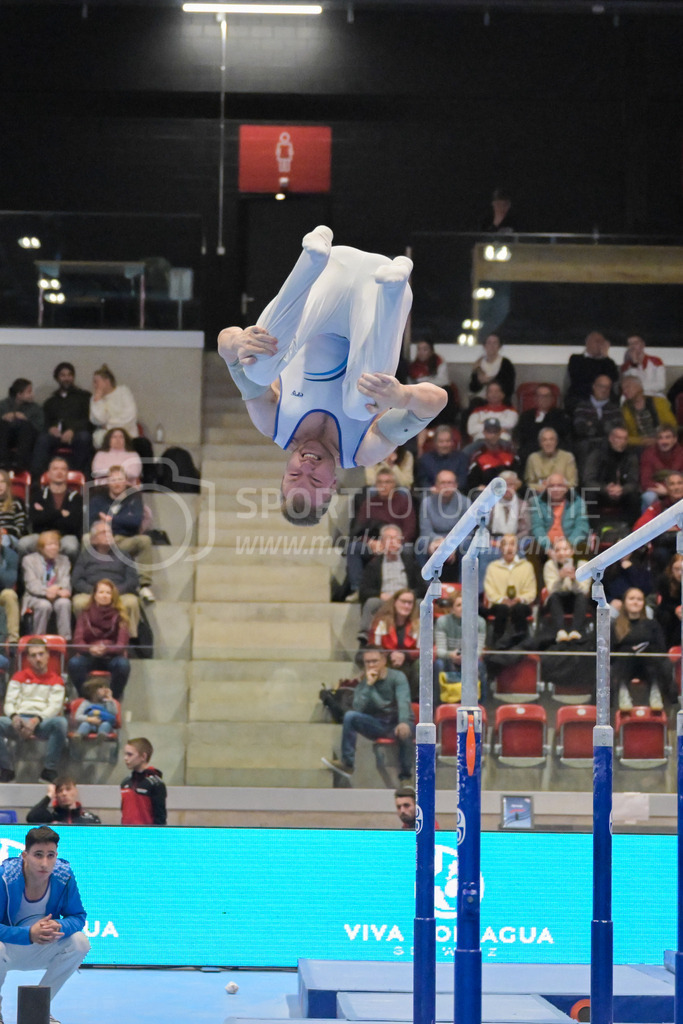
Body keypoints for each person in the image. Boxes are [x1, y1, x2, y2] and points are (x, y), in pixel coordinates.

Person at [218, 226, 447, 525]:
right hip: (374, 293)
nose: (306, 467)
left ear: (284, 473)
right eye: (315, 481)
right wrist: (402, 396)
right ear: (333, 486)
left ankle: (309, 258)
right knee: (361, 406)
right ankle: (394, 288)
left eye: (294, 475)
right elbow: (437, 401)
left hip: (329, 276)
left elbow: (224, 344)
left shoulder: (270, 421)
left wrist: (237, 342)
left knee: (256, 368)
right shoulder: (365, 450)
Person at [0, 825, 89, 1021]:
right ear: (25, 855)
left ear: (56, 856)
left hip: (43, 949)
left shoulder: (64, 876)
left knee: (80, 942)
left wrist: (60, 926)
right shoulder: (5, 877)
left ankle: (39, 1007)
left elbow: (78, 916)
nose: (45, 863)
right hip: (9, 949)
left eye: (51, 855)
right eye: (38, 855)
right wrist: (28, 934)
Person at [321, 647, 415, 782]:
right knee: (350, 716)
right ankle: (347, 764)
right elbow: (357, 707)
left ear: (384, 660)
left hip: (397, 721)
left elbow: (403, 702)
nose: (371, 665)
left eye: (374, 661)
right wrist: (369, 685)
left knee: (405, 729)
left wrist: (403, 721)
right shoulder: (365, 681)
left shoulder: (397, 677)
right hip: (378, 723)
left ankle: (406, 777)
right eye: (367, 662)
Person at [0, 638, 67, 783]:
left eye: (41, 654)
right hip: (19, 719)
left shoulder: (57, 680)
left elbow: (54, 707)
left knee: (61, 723)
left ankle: (49, 770)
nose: (38, 659)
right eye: (33, 655)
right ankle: (6, 769)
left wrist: (35, 720)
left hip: (42, 722)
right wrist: (14, 717)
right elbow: (9, 702)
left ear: (48, 655)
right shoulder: (18, 677)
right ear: (28, 659)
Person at [86, 465, 155, 602]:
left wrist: (109, 520)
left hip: (124, 540)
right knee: (85, 538)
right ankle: (89, 583)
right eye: (113, 480)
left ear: (125, 481)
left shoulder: (134, 497)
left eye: (120, 479)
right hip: (102, 539)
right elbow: (90, 521)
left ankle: (144, 585)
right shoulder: (97, 499)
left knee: (145, 540)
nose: (117, 483)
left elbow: (135, 522)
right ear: (108, 482)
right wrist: (120, 521)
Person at [345, 468, 416, 599]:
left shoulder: (404, 502)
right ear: (376, 485)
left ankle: (406, 590)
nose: (384, 485)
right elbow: (358, 530)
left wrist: (393, 543)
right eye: (380, 482)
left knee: (408, 550)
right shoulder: (368, 503)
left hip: (397, 543)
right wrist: (370, 542)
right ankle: (358, 590)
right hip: (375, 544)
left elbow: (410, 529)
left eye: (387, 482)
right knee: (353, 548)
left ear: (394, 485)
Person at [71, 521, 141, 638]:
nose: (108, 535)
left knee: (131, 602)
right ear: (94, 539)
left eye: (110, 532)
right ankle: (84, 636)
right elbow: (77, 580)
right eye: (103, 532)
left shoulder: (124, 555)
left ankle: (129, 639)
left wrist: (113, 592)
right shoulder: (85, 555)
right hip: (92, 593)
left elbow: (132, 580)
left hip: (119, 593)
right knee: (78, 602)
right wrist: (96, 592)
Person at [357, 524, 425, 640]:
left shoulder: (411, 563)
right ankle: (365, 635)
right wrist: (380, 595)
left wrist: (409, 595)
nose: (392, 542)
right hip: (384, 601)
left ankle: (425, 637)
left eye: (396, 538)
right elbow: (363, 591)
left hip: (406, 600)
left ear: (400, 542)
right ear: (382, 543)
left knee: (420, 603)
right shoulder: (374, 565)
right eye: (388, 538)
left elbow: (423, 588)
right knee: (371, 602)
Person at [68, 578, 131, 699]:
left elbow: (121, 644)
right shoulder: (85, 614)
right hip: (89, 655)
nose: (104, 596)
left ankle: (113, 698)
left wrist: (106, 649)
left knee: (123, 665)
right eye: (101, 592)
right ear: (95, 595)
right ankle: (86, 697)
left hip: (112, 656)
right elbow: (78, 640)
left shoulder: (121, 615)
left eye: (108, 593)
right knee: (74, 663)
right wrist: (90, 649)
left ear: (113, 596)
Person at [611, 587, 669, 711]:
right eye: (632, 599)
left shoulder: (652, 624)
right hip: (624, 664)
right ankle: (623, 692)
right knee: (624, 652)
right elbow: (611, 651)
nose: (635, 602)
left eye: (639, 599)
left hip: (648, 664)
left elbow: (661, 648)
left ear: (643, 603)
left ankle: (655, 692)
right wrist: (629, 649)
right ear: (624, 602)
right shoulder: (615, 625)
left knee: (651, 656)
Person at [32, 361, 92, 476]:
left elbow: (89, 420)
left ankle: (78, 476)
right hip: (56, 436)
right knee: (43, 439)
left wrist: (73, 430)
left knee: (84, 437)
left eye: (69, 375)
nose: (66, 378)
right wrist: (50, 429)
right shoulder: (51, 401)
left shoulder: (84, 397)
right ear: (57, 378)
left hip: (77, 434)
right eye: (63, 375)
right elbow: (45, 421)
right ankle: (38, 478)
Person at [19, 457, 83, 561]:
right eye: (55, 469)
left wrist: (46, 513)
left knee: (71, 547)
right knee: (23, 544)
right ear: (48, 473)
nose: (59, 472)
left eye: (63, 469)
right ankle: (29, 570)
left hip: (65, 536)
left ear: (67, 473)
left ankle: (67, 571)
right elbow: (35, 520)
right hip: (41, 535)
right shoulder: (38, 496)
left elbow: (73, 524)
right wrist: (60, 513)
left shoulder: (76, 497)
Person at [583, 425, 641, 529]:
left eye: (625, 439)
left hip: (622, 493)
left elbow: (634, 481)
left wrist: (622, 489)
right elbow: (588, 480)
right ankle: (594, 530)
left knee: (634, 496)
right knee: (590, 494)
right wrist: (605, 489)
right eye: (618, 438)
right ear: (611, 438)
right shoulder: (597, 454)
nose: (622, 442)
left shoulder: (631, 456)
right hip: (602, 492)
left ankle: (632, 529)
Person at [433, 590, 486, 706]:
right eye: (459, 605)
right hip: (448, 660)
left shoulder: (480, 622)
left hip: (470, 660)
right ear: (452, 609)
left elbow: (478, 651)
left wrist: (466, 657)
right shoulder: (443, 622)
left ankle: (481, 706)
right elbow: (440, 651)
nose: (463, 608)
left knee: (480, 665)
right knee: (438, 664)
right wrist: (451, 655)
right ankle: (437, 707)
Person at [483, 534, 537, 643]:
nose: (509, 548)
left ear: (517, 547)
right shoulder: (493, 567)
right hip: (499, 604)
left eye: (512, 544)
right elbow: (489, 591)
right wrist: (501, 600)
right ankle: (497, 643)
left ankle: (521, 643)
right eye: (505, 544)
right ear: (501, 548)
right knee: (502, 609)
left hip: (520, 604)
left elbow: (531, 591)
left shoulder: (527, 566)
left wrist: (520, 599)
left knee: (519, 608)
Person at [367, 589, 420, 697]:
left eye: (410, 603)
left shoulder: (419, 624)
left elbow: (424, 650)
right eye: (403, 602)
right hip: (387, 661)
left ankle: (415, 700)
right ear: (395, 602)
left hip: (410, 663)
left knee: (421, 664)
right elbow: (374, 647)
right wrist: (391, 654)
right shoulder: (381, 622)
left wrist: (404, 655)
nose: (406, 606)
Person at [21, 531, 72, 640]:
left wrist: (57, 589)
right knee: (44, 605)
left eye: (56, 544)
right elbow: (32, 584)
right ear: (41, 548)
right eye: (49, 545)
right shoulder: (29, 560)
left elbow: (65, 581)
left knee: (64, 603)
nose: (54, 548)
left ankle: (65, 640)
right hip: (35, 596)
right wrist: (47, 591)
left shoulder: (64, 560)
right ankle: (38, 640)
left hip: (57, 596)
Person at [417, 469, 471, 570]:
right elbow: (425, 530)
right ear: (436, 485)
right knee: (421, 543)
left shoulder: (465, 502)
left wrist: (450, 544)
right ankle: (424, 579)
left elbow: (466, 531)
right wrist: (439, 541)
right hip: (435, 539)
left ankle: (463, 579)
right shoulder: (427, 502)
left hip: (457, 540)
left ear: (456, 485)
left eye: (449, 483)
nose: (446, 486)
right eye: (442, 483)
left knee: (466, 544)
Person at [541, 537, 591, 641]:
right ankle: (560, 631)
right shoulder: (550, 565)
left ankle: (575, 631)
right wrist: (560, 578)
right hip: (558, 602)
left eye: (565, 549)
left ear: (572, 551)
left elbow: (584, 590)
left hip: (576, 601)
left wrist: (574, 580)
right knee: (554, 597)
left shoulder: (583, 565)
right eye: (557, 550)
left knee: (581, 597)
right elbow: (551, 590)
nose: (561, 553)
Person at [633, 471, 683, 574]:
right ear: (666, 488)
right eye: (672, 484)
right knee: (660, 553)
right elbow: (639, 527)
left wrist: (672, 529)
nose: (676, 487)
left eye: (679, 483)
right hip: (664, 549)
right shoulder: (658, 507)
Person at [529, 473, 591, 555]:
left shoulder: (578, 502)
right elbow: (537, 527)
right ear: (546, 488)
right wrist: (548, 548)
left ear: (566, 488)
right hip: (546, 546)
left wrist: (568, 545)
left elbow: (582, 526)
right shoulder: (537, 502)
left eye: (560, 485)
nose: (555, 489)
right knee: (532, 548)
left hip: (570, 544)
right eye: (551, 486)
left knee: (584, 548)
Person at [514, 383, 571, 471]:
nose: (544, 399)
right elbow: (520, 436)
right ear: (535, 399)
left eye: (547, 396)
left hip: (554, 451)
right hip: (530, 452)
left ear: (552, 399)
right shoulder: (526, 416)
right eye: (540, 396)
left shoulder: (560, 415)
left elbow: (564, 436)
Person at [572, 374, 624, 461]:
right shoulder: (582, 406)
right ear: (594, 387)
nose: (604, 390)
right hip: (587, 445)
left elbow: (616, 430)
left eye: (607, 387)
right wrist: (605, 426)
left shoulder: (615, 409)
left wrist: (592, 424)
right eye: (601, 386)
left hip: (609, 446)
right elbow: (580, 429)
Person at [564, 331, 618, 413]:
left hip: (604, 397)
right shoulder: (576, 359)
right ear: (588, 343)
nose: (600, 345)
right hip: (581, 396)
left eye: (602, 342)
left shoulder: (608, 362)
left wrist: (605, 357)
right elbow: (580, 377)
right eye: (597, 341)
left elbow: (613, 378)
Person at [621, 374, 677, 449]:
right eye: (623, 389)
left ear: (639, 387)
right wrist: (641, 441)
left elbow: (672, 426)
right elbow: (623, 436)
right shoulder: (625, 409)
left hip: (663, 441)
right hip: (640, 446)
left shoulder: (659, 402)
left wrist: (659, 439)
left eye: (627, 387)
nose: (625, 391)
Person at [89, 364, 138, 449]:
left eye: (96, 382)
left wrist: (109, 426)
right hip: (105, 436)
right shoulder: (95, 398)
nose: (94, 385)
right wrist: (98, 400)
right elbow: (99, 420)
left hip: (127, 433)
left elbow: (130, 415)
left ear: (106, 381)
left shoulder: (123, 391)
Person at [120, 737, 167, 825]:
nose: (125, 758)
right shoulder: (126, 782)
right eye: (125, 754)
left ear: (143, 756)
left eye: (130, 754)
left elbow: (160, 818)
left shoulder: (155, 784)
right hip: (126, 832)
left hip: (146, 832)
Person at [0, 378, 43, 473]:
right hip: (7, 437)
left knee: (25, 426)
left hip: (26, 438)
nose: (32, 394)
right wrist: (4, 417)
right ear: (19, 394)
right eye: (29, 392)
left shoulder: (35, 408)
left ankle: (20, 463)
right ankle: (2, 462)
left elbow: (40, 426)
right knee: (2, 425)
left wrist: (25, 420)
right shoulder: (3, 405)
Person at [466, 418, 519, 492]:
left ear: (500, 432)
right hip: (487, 493)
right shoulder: (477, 456)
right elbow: (472, 483)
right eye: (489, 432)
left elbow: (518, 477)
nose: (493, 435)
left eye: (495, 432)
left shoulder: (510, 453)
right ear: (484, 433)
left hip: (509, 491)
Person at [640, 425, 683, 511]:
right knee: (648, 497)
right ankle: (652, 519)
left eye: (667, 437)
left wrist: (668, 489)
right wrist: (665, 489)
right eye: (660, 438)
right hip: (657, 490)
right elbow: (645, 481)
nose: (664, 441)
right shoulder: (648, 454)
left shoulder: (681, 453)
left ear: (675, 439)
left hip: (678, 489)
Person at [26, 776, 101, 825]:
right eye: (60, 791)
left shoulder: (90, 819)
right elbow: (31, 817)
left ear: (76, 791)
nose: (64, 793)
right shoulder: (50, 816)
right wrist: (49, 795)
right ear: (55, 794)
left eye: (68, 789)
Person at [524, 427, 578, 493]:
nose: (548, 443)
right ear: (540, 443)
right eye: (544, 440)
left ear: (556, 442)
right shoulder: (533, 458)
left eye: (551, 439)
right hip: (539, 494)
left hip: (563, 494)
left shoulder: (568, 457)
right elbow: (529, 483)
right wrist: (542, 488)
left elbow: (572, 483)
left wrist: (554, 487)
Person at [414, 425, 468, 492]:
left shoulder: (461, 458)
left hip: (456, 493)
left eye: (447, 441)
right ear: (435, 443)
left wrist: (450, 490)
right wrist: (433, 489)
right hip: (432, 493)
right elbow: (423, 481)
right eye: (441, 442)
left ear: (452, 442)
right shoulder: (425, 459)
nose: (445, 445)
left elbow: (462, 481)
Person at [468, 333, 515, 405]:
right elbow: (472, 388)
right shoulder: (478, 364)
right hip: (480, 399)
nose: (492, 346)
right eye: (489, 343)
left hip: (499, 400)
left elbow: (509, 388)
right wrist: (479, 382)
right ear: (484, 346)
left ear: (499, 346)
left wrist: (489, 381)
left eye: (495, 343)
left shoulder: (506, 364)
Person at [466, 381, 518, 445]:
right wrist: (500, 429)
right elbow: (471, 429)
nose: (493, 394)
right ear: (486, 395)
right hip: (480, 442)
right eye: (490, 391)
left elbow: (510, 424)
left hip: (503, 442)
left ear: (503, 395)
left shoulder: (511, 411)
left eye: (496, 391)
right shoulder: (477, 411)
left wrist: (482, 424)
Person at [71, 676, 118, 740]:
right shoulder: (86, 703)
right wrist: (89, 719)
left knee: (106, 724)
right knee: (85, 724)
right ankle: (79, 735)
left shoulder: (107, 702)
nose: (105, 691)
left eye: (106, 688)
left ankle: (101, 736)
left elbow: (113, 713)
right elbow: (78, 716)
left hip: (103, 723)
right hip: (90, 724)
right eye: (102, 688)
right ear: (93, 691)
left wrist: (110, 700)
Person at [654, 553, 683, 650]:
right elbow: (664, 603)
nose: (680, 573)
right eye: (677, 569)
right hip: (670, 610)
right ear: (671, 568)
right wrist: (675, 609)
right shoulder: (664, 580)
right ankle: (668, 648)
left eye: (682, 569)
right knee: (665, 616)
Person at [0, 538, 19, 645]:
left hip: (1, 593)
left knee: (9, 594)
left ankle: (13, 641)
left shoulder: (11, 555)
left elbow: (10, 580)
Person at [0, 469, 27, 544]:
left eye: (2, 482)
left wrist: (5, 531)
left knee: (4, 539)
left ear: (7, 484)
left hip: (10, 537)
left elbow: (21, 527)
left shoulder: (16, 502)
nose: (0, 485)